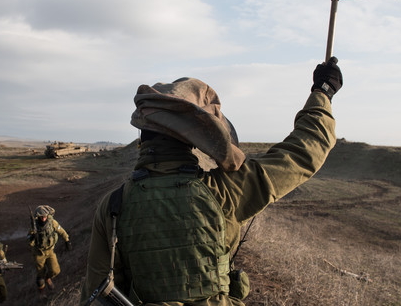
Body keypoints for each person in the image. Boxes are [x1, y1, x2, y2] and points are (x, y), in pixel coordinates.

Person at [80, 57, 343, 305]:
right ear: (192, 138)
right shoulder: (224, 191)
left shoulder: (114, 205)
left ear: (142, 135)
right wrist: (322, 92)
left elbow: (97, 292)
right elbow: (301, 154)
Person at [28, 205, 72, 299]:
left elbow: (61, 231)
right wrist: (32, 237)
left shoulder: (52, 222)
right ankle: (42, 293)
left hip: (50, 251)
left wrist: (67, 241)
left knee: (55, 270)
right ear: (38, 216)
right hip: (39, 253)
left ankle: (48, 278)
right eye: (42, 216)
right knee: (40, 275)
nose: (44, 218)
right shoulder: (34, 226)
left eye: (45, 216)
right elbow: (29, 241)